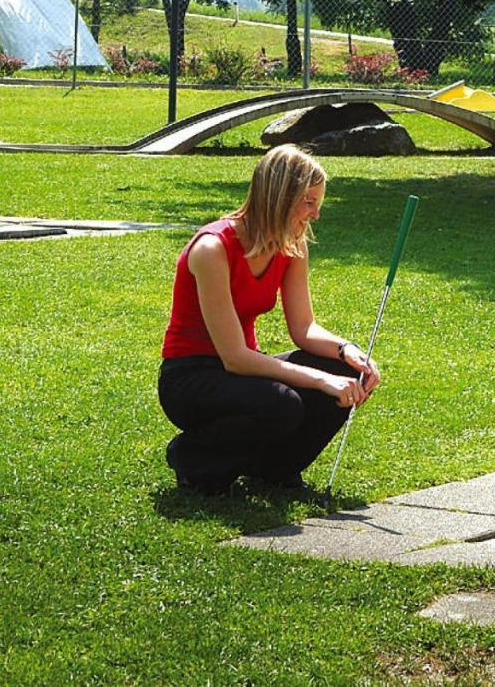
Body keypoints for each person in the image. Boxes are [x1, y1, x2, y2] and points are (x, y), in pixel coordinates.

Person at [158, 144, 380, 494]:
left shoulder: (292, 245)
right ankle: (193, 457)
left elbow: (304, 328)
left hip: (243, 371)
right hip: (191, 378)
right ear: (279, 196)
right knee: (284, 402)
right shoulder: (212, 248)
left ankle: (274, 470)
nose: (316, 214)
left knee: (347, 374)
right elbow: (235, 358)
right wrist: (320, 380)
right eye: (308, 202)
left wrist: (346, 351)